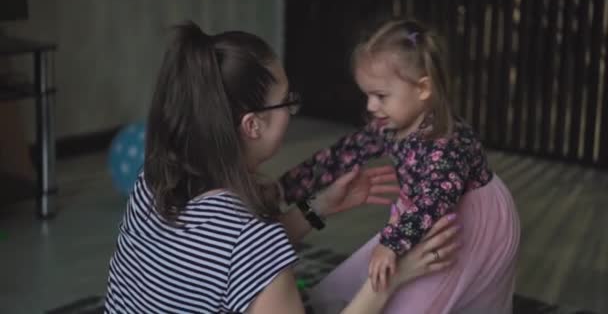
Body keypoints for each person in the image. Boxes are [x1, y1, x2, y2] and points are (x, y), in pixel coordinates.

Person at [103, 20, 461, 314]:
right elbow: (247, 254)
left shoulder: (152, 180)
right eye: (286, 102)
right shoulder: (250, 239)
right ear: (253, 126)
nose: (292, 109)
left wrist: (318, 207)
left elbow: (230, 265)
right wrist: (390, 280)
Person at [279, 18, 521, 313]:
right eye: (367, 94)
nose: (370, 106)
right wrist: (284, 188)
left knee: (425, 292)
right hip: (416, 218)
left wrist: (392, 243)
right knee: (358, 284)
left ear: (422, 89)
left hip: (462, 216)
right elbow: (342, 154)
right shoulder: (390, 123)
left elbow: (435, 200)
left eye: (380, 96)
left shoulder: (446, 144)